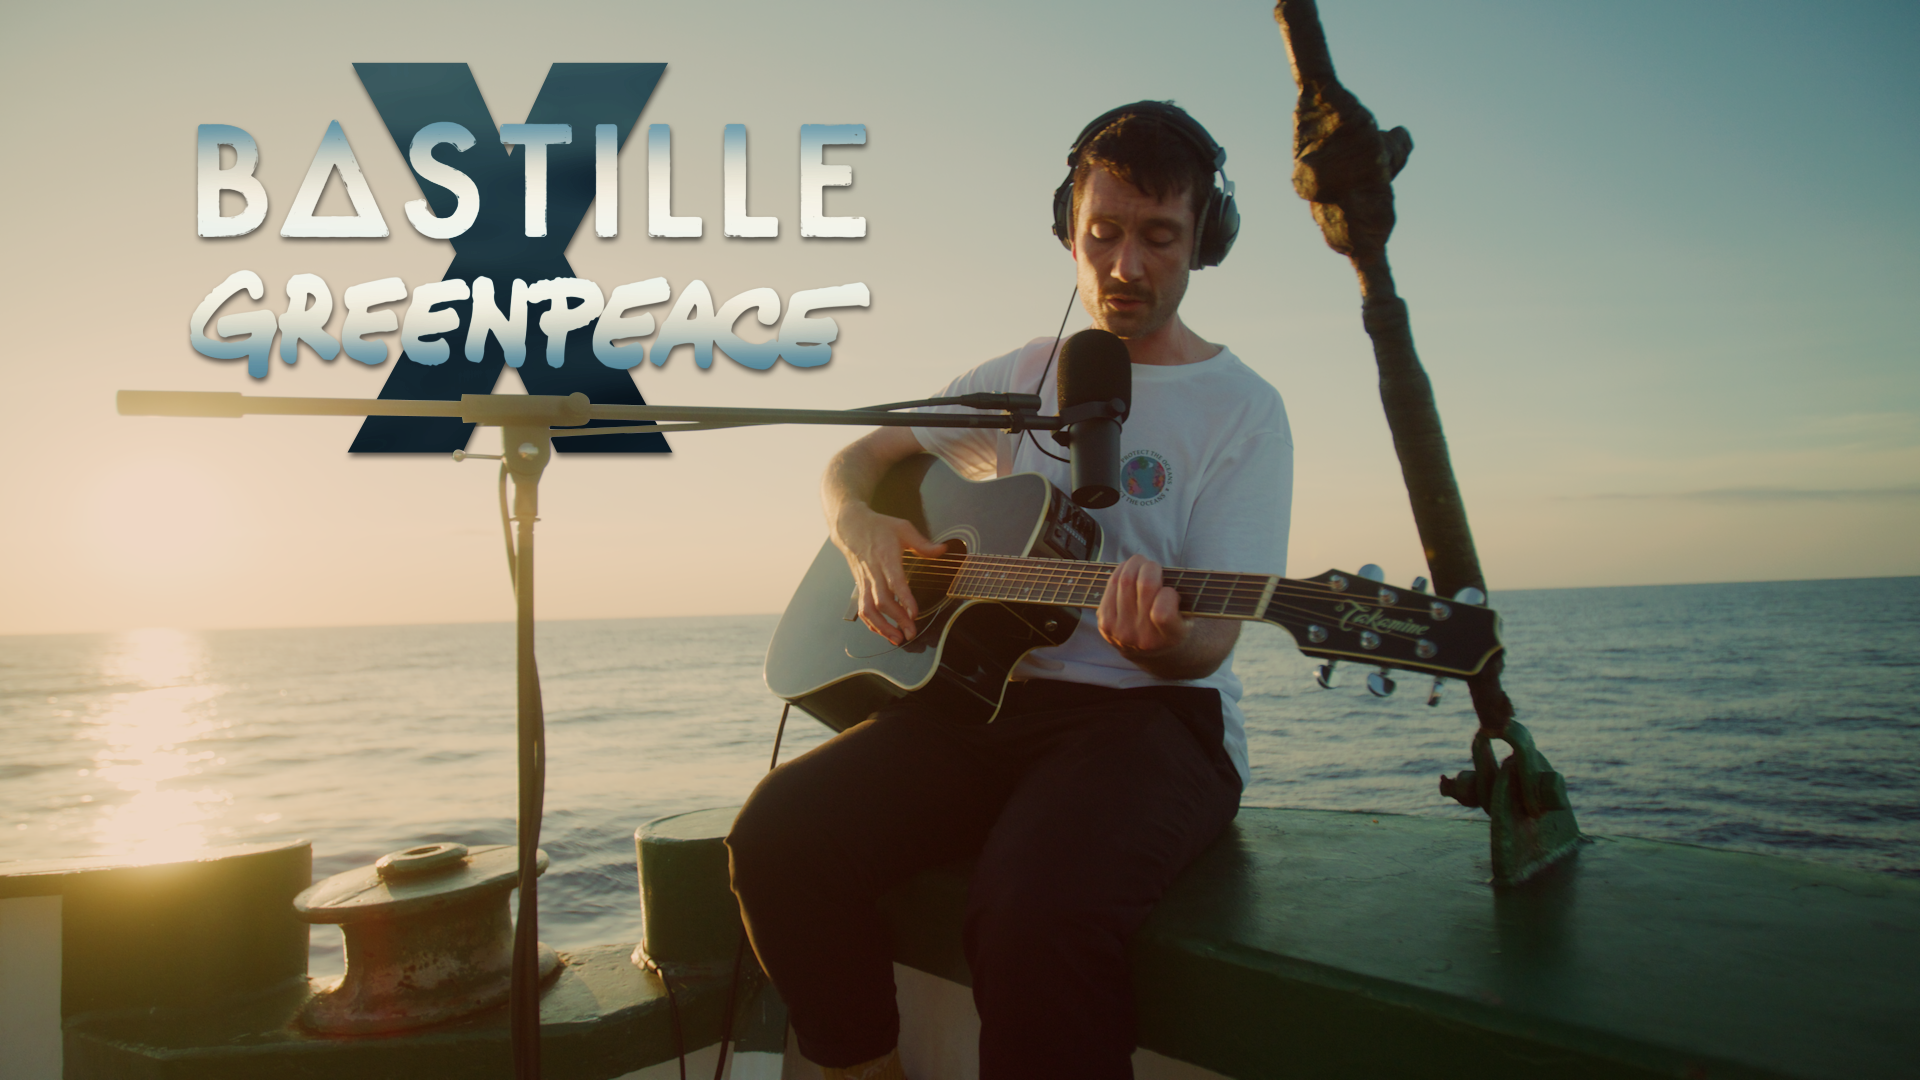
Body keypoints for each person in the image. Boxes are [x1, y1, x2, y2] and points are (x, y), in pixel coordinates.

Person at [727, 101, 1294, 1080]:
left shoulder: (1242, 408)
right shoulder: (1022, 374)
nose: (1124, 266)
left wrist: (1160, 638)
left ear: (1206, 237)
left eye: (1158, 237)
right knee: (777, 839)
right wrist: (864, 531)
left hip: (1154, 720)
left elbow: (1210, 641)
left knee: (1032, 918)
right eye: (1102, 233)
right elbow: (856, 462)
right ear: (1067, 227)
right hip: (989, 699)